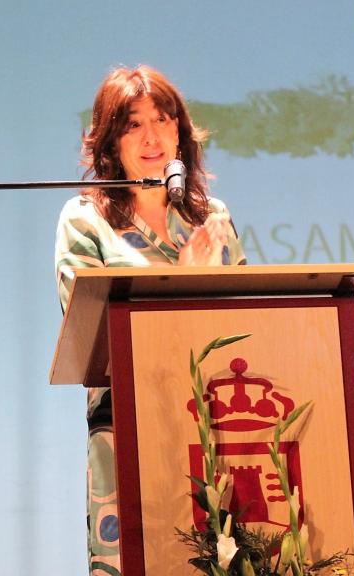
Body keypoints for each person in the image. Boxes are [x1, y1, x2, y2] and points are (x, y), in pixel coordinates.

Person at [54, 65, 246, 575]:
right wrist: (184, 284)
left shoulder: (212, 217)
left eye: (163, 120)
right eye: (134, 123)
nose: (152, 136)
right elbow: (91, 335)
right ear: (110, 141)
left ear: (181, 133)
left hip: (216, 426)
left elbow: (254, 320)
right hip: (128, 428)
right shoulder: (84, 219)